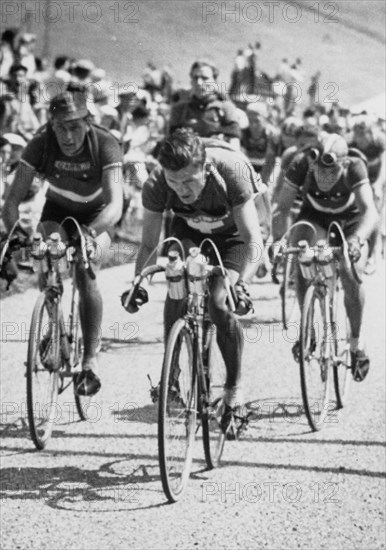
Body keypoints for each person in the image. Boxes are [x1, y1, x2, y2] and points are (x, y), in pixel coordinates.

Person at [122, 127, 265, 431]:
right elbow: (149, 244)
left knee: (219, 301)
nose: (182, 189)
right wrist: (139, 283)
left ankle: (233, 392)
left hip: (234, 237)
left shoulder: (230, 172)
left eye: (189, 180)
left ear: (206, 168)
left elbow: (254, 239)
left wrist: (241, 285)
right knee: (177, 278)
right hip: (189, 233)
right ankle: (170, 376)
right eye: (175, 182)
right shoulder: (158, 183)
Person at [3, 90, 124, 396]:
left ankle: (89, 361)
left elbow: (115, 206)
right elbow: (11, 200)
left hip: (98, 215)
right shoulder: (41, 143)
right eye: (60, 127)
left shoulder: (106, 144)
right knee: (46, 253)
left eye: (75, 127)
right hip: (57, 209)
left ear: (88, 122)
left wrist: (89, 233)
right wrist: (16, 234)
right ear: (50, 125)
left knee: (85, 270)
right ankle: (55, 326)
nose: (68, 136)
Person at [272, 133, 378, 382]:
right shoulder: (301, 164)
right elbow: (283, 207)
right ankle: (307, 330)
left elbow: (370, 212)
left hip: (350, 221)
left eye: (331, 174)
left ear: (342, 164)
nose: (324, 178)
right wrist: (278, 241)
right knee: (303, 257)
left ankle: (355, 343)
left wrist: (356, 240)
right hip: (315, 218)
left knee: (350, 272)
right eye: (318, 172)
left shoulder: (355, 166)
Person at [169, 60, 241, 150]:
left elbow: (234, 145)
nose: (199, 82)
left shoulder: (226, 108)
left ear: (214, 81)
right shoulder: (179, 109)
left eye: (204, 78)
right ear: (191, 81)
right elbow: (173, 144)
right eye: (195, 78)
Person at [349, 115, 386, 274]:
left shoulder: (379, 142)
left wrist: (378, 184)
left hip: (376, 178)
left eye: (362, 135)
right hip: (360, 180)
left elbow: (384, 166)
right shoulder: (351, 143)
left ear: (370, 133)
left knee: (375, 214)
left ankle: (374, 253)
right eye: (357, 135)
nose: (359, 139)